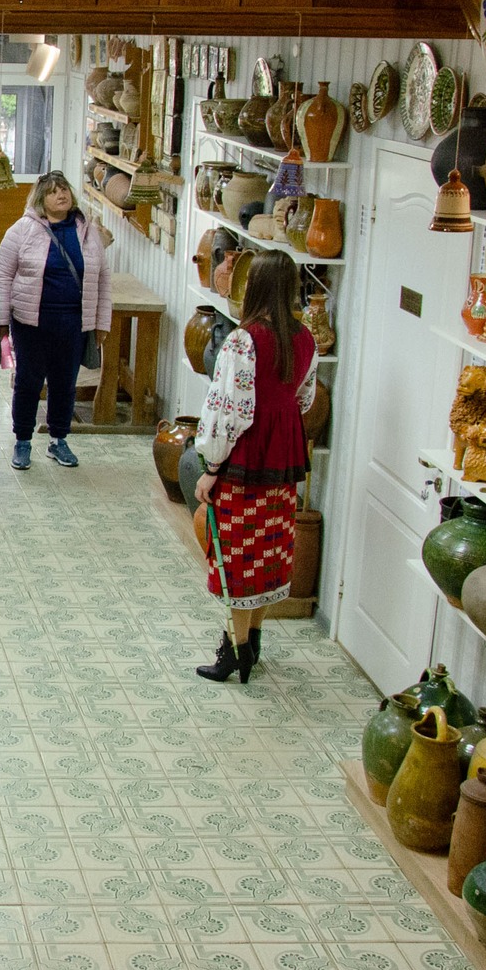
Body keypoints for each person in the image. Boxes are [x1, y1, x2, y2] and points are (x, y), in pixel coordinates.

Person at [192, 251, 318, 683]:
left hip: (247, 455)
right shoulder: (306, 339)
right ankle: (254, 642)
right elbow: (304, 398)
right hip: (284, 455)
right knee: (269, 548)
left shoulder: (244, 341)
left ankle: (235, 650)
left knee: (237, 552)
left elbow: (229, 408)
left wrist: (211, 464)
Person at [0, 171, 113, 472]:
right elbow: (3, 275)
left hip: (74, 323)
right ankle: (22, 441)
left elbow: (103, 279)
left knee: (65, 383)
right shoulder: (22, 229)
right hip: (31, 322)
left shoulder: (87, 231)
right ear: (40, 199)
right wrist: (2, 320)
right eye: (53, 192)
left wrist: (101, 323)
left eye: (64, 190)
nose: (62, 195)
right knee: (28, 382)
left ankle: (59, 439)